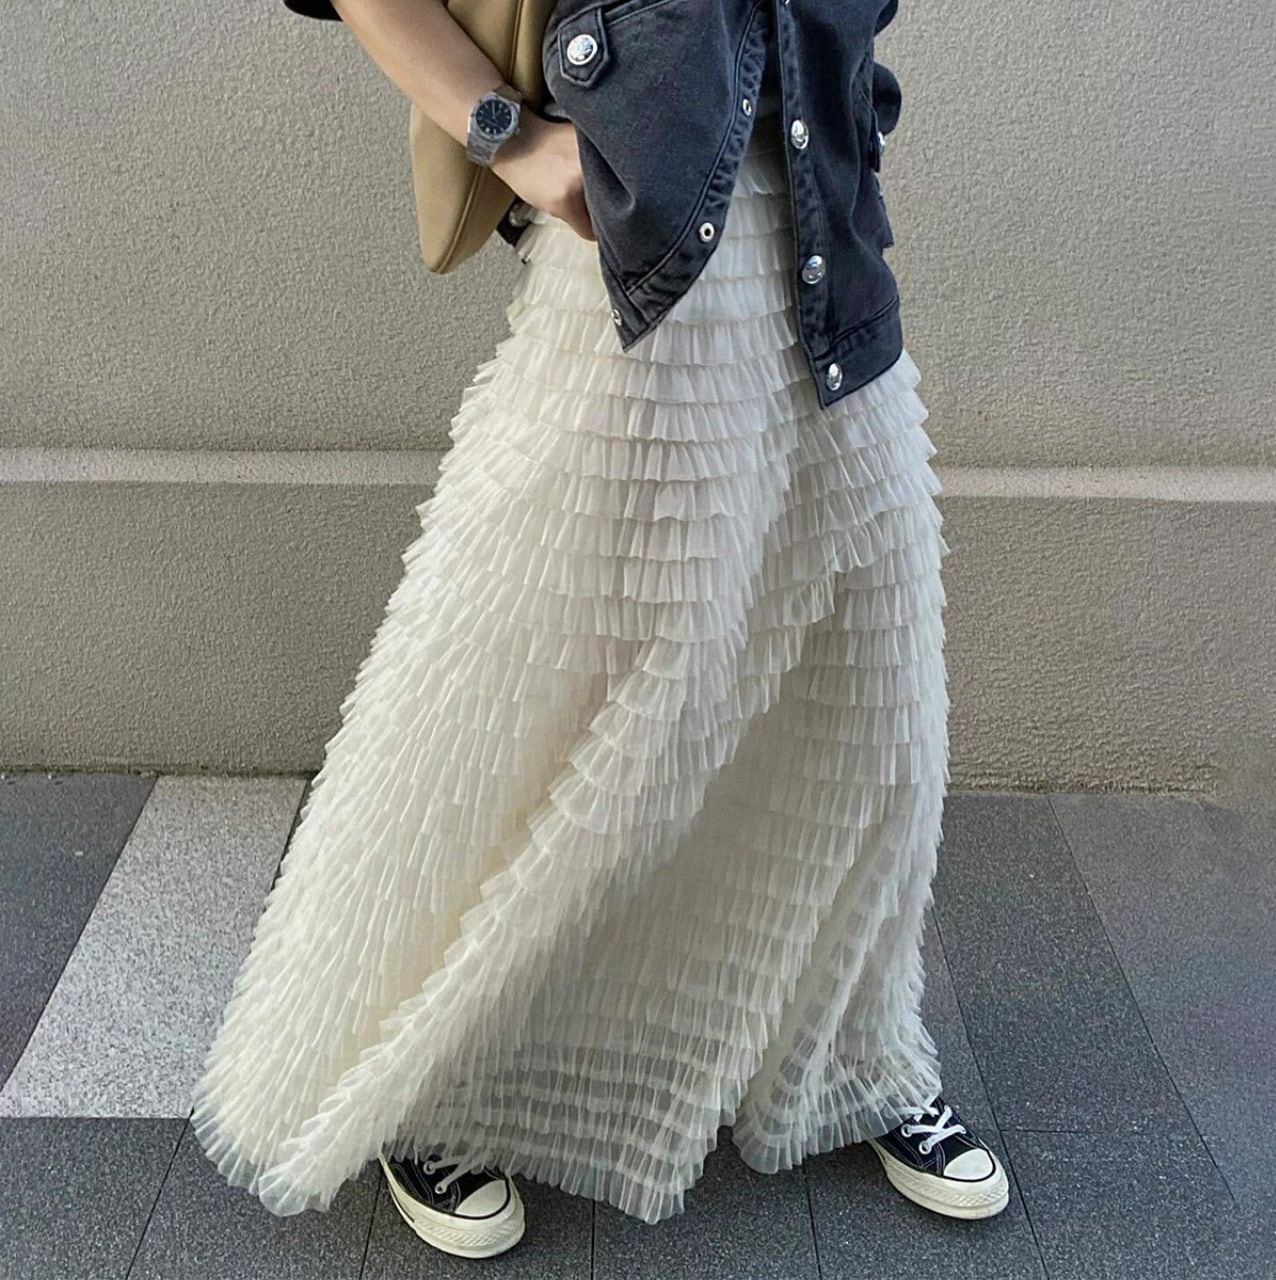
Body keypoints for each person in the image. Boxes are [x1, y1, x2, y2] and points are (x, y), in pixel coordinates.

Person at [191, 0, 1009, 1259]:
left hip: (827, 228)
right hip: (645, 242)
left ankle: (854, 1055)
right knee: (572, 684)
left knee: (870, 700)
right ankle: (426, 1084)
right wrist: (506, 135)